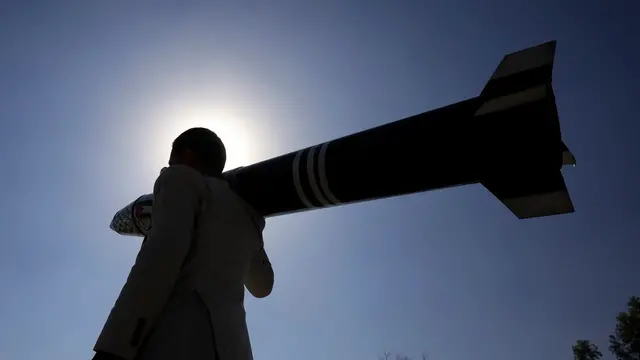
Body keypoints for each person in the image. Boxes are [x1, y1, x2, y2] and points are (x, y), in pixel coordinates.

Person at [92, 127, 274, 360]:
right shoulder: (248, 214)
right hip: (234, 348)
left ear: (186, 156)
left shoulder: (179, 179)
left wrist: (114, 348)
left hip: (177, 341)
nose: (168, 168)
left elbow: (160, 260)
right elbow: (262, 287)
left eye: (171, 162)